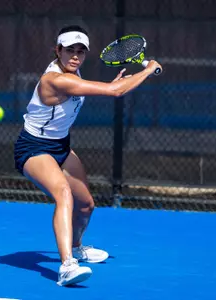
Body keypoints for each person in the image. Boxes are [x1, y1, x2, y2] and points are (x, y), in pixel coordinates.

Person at [13, 25, 162, 286]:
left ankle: (77, 246)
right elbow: (114, 92)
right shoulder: (55, 79)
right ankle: (67, 266)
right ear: (57, 50)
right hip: (33, 147)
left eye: (81, 52)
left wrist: (112, 85)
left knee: (85, 205)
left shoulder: (74, 72)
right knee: (63, 193)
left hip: (60, 146)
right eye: (70, 50)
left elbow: (106, 88)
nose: (75, 56)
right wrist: (147, 70)